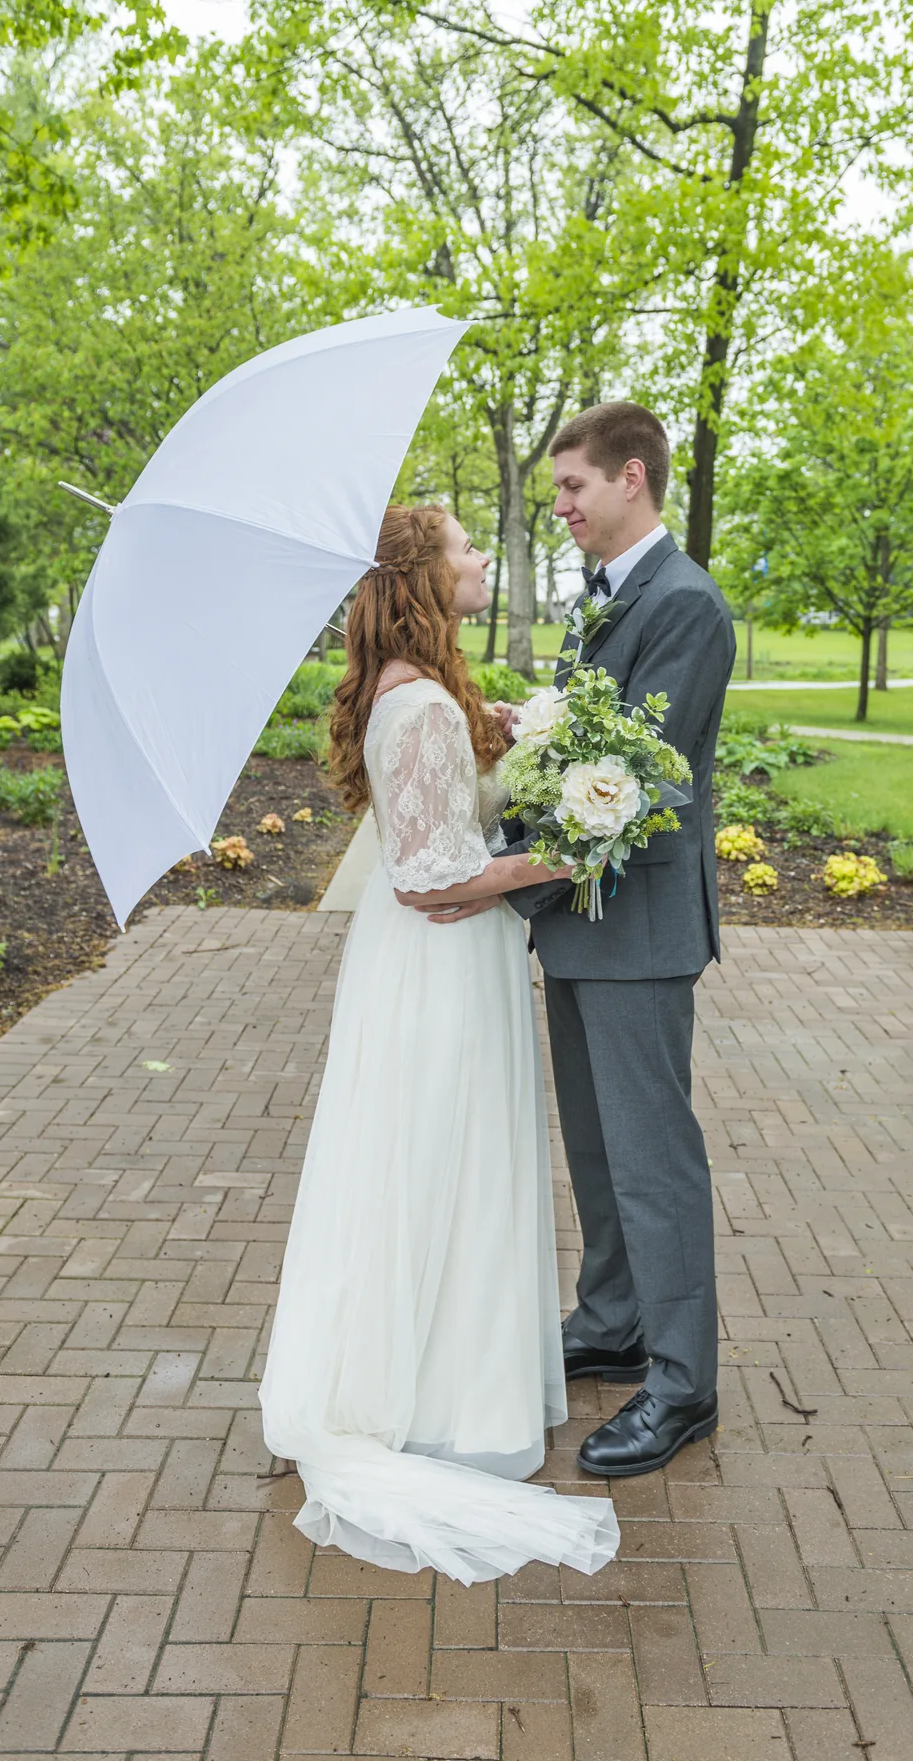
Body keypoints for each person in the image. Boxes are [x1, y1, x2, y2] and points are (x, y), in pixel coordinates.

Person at [258, 502, 620, 1585]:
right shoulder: (414, 706)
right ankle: (441, 1403)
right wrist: (560, 853)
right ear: (423, 575)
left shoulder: (424, 693)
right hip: (436, 966)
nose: (478, 557)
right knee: (439, 1166)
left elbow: (445, 813)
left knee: (434, 1164)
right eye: (465, 547)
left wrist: (518, 733)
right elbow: (427, 878)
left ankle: (437, 1376)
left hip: (439, 964)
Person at [506, 401, 736, 1478]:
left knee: (654, 1161)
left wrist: (497, 874)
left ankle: (683, 1383)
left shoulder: (687, 605)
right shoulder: (599, 599)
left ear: (631, 477)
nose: (561, 508)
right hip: (580, 921)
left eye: (572, 489)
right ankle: (612, 1317)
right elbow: (577, 747)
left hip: (638, 925)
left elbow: (638, 777)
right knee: (596, 1147)